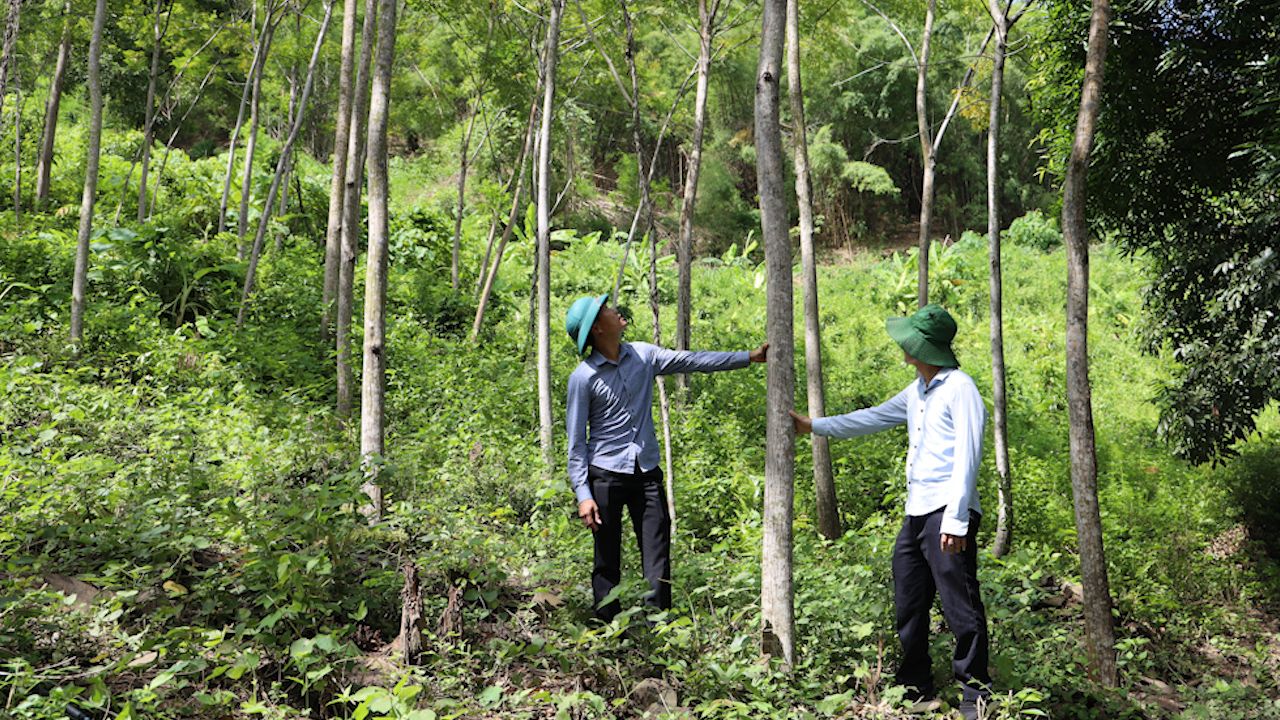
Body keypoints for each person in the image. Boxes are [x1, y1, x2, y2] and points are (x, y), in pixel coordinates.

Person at [790, 304, 991, 720]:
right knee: (909, 600)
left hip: (947, 512)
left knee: (960, 604)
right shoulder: (917, 390)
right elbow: (872, 418)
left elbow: (967, 459)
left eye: (910, 342)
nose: (904, 347)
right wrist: (815, 426)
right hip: (917, 511)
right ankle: (917, 684)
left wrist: (955, 521)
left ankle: (976, 693)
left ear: (924, 347)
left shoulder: (960, 388)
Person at [564, 292, 767, 623]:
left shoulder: (644, 356)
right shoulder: (583, 378)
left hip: (646, 472)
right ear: (598, 329)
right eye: (608, 310)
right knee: (606, 558)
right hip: (606, 475)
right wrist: (583, 494)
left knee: (657, 553)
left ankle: (658, 627)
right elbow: (576, 443)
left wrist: (748, 357)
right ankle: (605, 629)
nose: (616, 312)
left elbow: (693, 360)